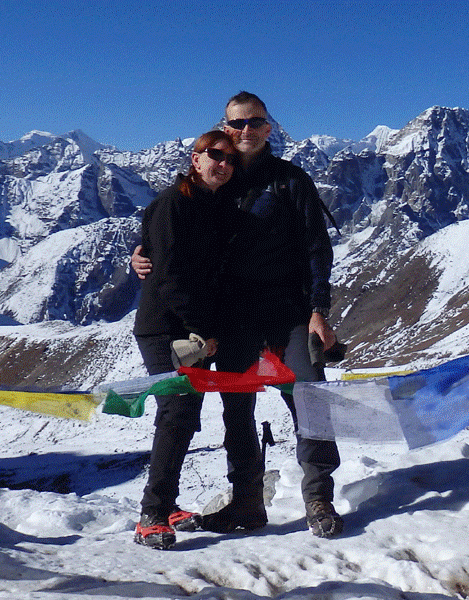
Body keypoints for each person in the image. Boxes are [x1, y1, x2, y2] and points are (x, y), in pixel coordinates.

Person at [132, 91, 344, 541]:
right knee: (236, 407)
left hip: (287, 313)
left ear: (269, 128)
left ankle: (319, 499)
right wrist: (141, 253)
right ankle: (247, 502)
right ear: (224, 129)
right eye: (237, 123)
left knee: (309, 398)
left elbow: (316, 250)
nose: (246, 130)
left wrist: (318, 312)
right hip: (232, 317)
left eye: (256, 122)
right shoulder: (212, 184)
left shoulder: (289, 181)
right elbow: (171, 230)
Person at [131, 129, 243, 549]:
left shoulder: (211, 206)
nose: (224, 164)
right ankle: (152, 515)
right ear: (195, 159)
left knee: (183, 416)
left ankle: (166, 504)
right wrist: (203, 329)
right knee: (177, 414)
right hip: (168, 329)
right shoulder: (173, 204)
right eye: (215, 155)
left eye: (231, 160)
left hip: (193, 331)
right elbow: (168, 276)